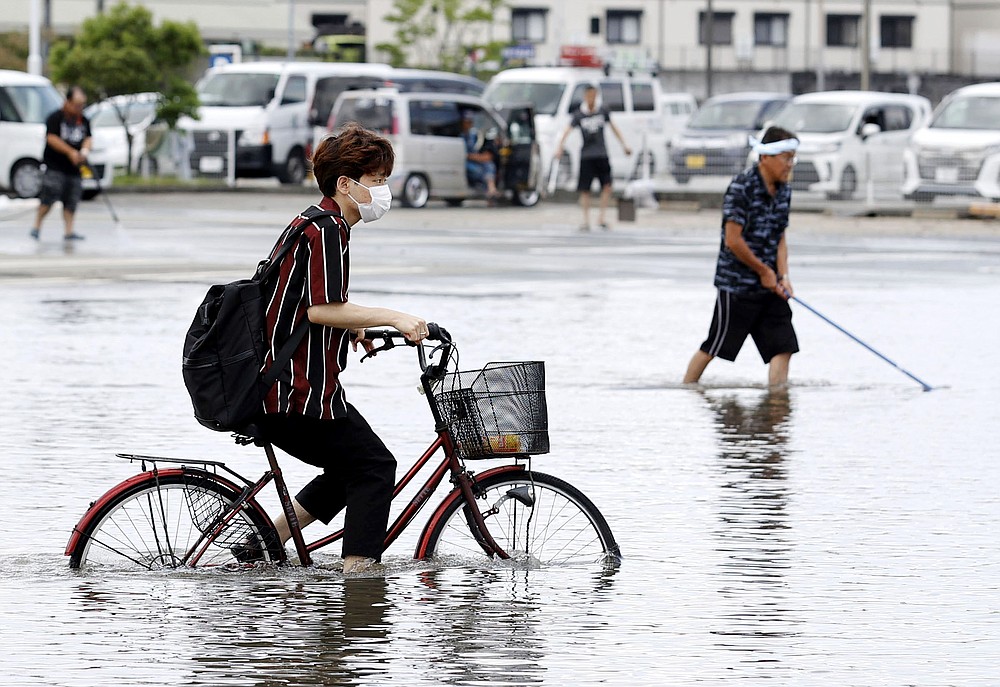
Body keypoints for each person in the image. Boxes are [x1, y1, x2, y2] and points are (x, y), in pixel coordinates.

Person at [246, 123, 429, 574]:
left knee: (352, 465)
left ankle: (266, 539)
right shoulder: (327, 229)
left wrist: (354, 330)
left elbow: (301, 301)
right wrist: (394, 317)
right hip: (292, 391)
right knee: (374, 468)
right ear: (346, 184)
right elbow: (321, 310)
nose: (383, 192)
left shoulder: (313, 221)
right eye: (377, 181)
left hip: (286, 385)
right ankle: (360, 582)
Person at [683, 126, 800, 387]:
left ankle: (777, 407)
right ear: (766, 157)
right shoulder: (741, 187)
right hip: (736, 285)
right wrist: (763, 271)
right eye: (786, 158)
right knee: (714, 345)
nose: (790, 165)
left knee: (783, 346)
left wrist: (783, 275)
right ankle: (687, 390)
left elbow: (780, 237)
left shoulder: (784, 191)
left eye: (793, 158)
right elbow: (733, 240)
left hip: (770, 286)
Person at [554, 84, 631, 231]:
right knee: (585, 189)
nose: (592, 98)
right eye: (589, 95)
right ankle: (585, 220)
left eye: (594, 95)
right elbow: (566, 131)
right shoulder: (579, 114)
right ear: (585, 96)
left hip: (602, 153)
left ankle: (601, 217)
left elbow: (614, 129)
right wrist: (559, 148)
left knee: (607, 186)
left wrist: (624, 145)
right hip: (586, 155)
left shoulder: (602, 111)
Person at [30, 85, 92, 241]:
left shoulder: (83, 120)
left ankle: (69, 231)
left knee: (72, 200)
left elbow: (88, 138)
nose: (79, 108)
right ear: (68, 102)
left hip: (74, 168)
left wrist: (84, 152)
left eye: (81, 105)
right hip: (55, 166)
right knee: (48, 197)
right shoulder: (55, 118)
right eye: (77, 105)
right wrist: (70, 152)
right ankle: (36, 226)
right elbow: (51, 138)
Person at [461, 112, 498, 203]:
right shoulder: (460, 136)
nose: (469, 123)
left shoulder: (474, 134)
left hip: (474, 158)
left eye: (470, 121)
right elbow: (464, 154)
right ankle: (490, 191)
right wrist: (475, 157)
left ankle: (491, 189)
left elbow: (478, 149)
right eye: (467, 121)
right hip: (463, 161)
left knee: (489, 165)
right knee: (478, 171)